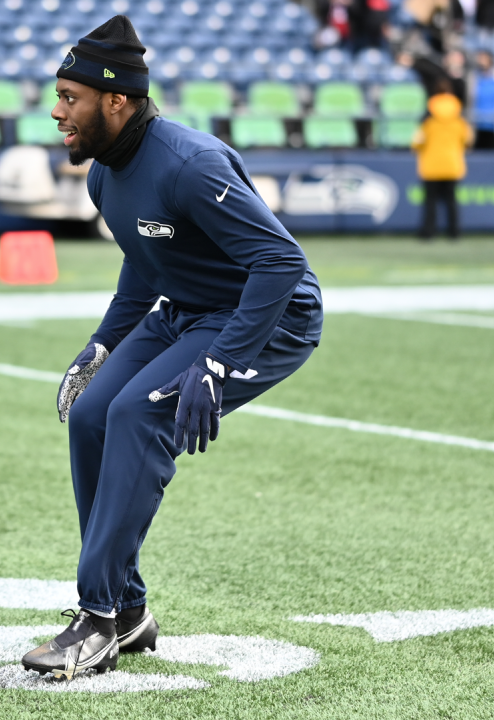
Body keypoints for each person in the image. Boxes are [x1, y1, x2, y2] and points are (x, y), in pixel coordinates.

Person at [19, 15, 323, 680]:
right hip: (185, 310)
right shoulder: (103, 173)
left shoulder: (190, 164)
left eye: (70, 99)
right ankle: (126, 612)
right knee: (96, 412)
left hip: (268, 315)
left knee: (138, 414)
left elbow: (279, 262)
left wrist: (216, 363)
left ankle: (95, 618)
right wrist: (100, 346)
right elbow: (144, 264)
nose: (56, 110)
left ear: (116, 101)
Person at [412, 81, 472, 239]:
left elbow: (417, 142)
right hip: (452, 164)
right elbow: (467, 140)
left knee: (430, 202)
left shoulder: (427, 118)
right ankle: (454, 232)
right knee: (451, 201)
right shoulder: (459, 118)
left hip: (431, 165)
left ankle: (428, 233)